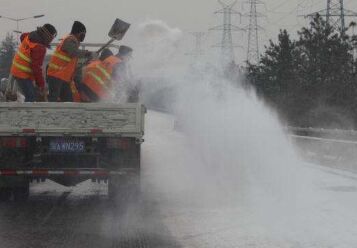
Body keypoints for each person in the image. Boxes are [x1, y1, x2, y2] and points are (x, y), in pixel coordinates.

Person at [47, 21, 94, 102]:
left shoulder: (74, 43)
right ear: (78, 32)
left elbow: (74, 64)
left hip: (64, 79)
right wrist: (87, 53)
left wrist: (85, 61)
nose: (84, 36)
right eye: (83, 33)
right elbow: (74, 52)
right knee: (53, 101)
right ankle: (49, 114)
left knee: (68, 102)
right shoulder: (69, 40)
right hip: (55, 76)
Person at [10, 24, 57, 102]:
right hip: (22, 74)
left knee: (31, 94)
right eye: (52, 37)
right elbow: (36, 68)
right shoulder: (39, 47)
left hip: (16, 69)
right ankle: (27, 113)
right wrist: (41, 85)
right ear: (47, 36)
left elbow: (22, 36)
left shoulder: (30, 36)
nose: (51, 40)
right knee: (31, 97)